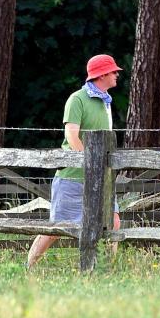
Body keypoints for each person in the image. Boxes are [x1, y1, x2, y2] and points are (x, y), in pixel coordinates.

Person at [27, 54, 123, 268]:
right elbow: (72, 136)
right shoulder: (77, 99)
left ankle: (109, 270)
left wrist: (100, 169)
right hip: (73, 177)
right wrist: (89, 164)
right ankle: (29, 267)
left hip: (102, 177)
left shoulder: (106, 101)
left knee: (113, 222)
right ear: (102, 75)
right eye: (113, 71)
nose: (117, 74)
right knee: (56, 229)